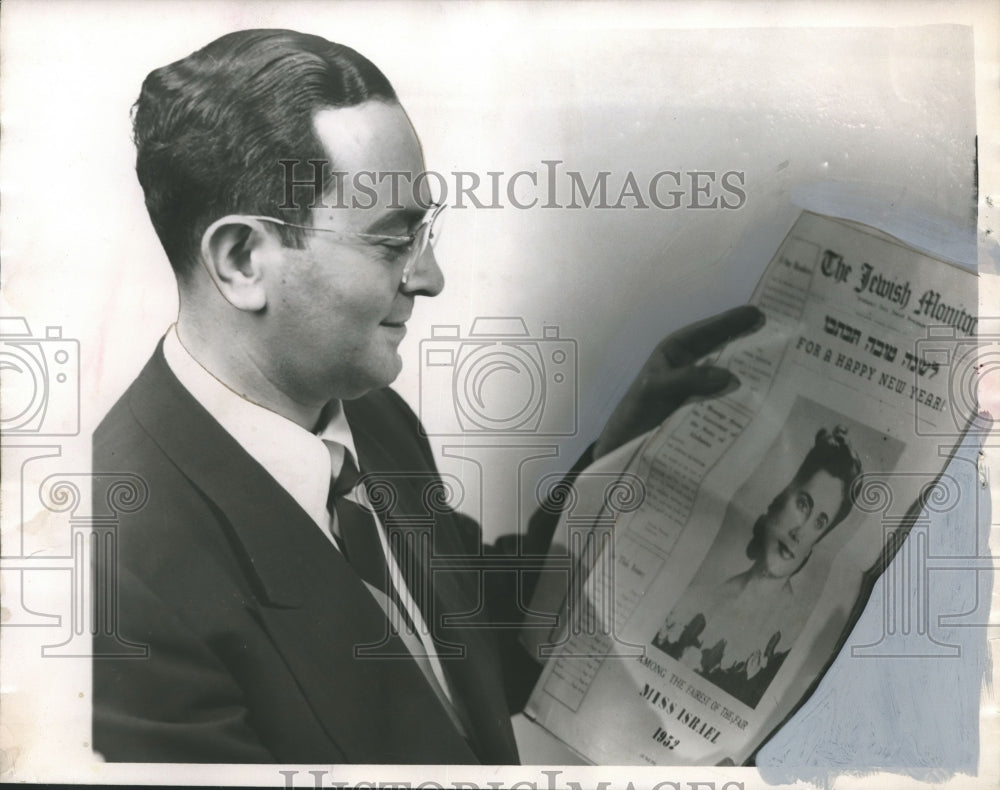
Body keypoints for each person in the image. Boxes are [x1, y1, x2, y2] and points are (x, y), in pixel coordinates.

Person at [92, 28, 764, 763]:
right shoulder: (115, 573)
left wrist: (624, 454)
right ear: (242, 259)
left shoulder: (372, 421)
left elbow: (479, 627)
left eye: (426, 231)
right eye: (391, 242)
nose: (431, 277)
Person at [653, 426, 862, 707]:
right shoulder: (695, 599)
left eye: (820, 523)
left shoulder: (792, 640)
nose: (800, 532)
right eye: (803, 504)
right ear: (781, 499)